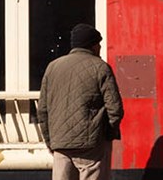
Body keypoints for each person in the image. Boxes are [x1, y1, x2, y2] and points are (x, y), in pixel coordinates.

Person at [39, 24, 124, 180]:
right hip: (91, 144)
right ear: (91, 45)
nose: (100, 47)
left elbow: (43, 110)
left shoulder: (52, 67)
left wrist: (50, 140)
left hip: (60, 143)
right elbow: (115, 108)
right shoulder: (101, 67)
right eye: (98, 43)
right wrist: (107, 134)